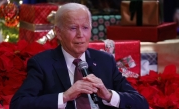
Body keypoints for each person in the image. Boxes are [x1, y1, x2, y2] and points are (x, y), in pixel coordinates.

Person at [10, 3, 149, 109]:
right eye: (73, 28)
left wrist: (109, 96)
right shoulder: (42, 63)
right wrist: (64, 97)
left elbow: (141, 103)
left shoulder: (105, 61)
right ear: (58, 32)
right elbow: (18, 104)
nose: (80, 35)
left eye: (85, 28)